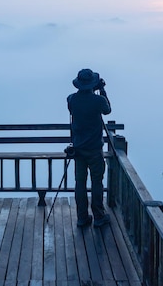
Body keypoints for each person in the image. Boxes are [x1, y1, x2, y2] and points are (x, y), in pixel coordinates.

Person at [67, 68, 112, 228]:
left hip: (78, 149)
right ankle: (99, 216)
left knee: (80, 183)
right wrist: (102, 90)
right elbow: (107, 110)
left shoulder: (71, 99)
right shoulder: (98, 101)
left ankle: (82, 217)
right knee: (96, 182)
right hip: (94, 148)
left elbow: (73, 109)